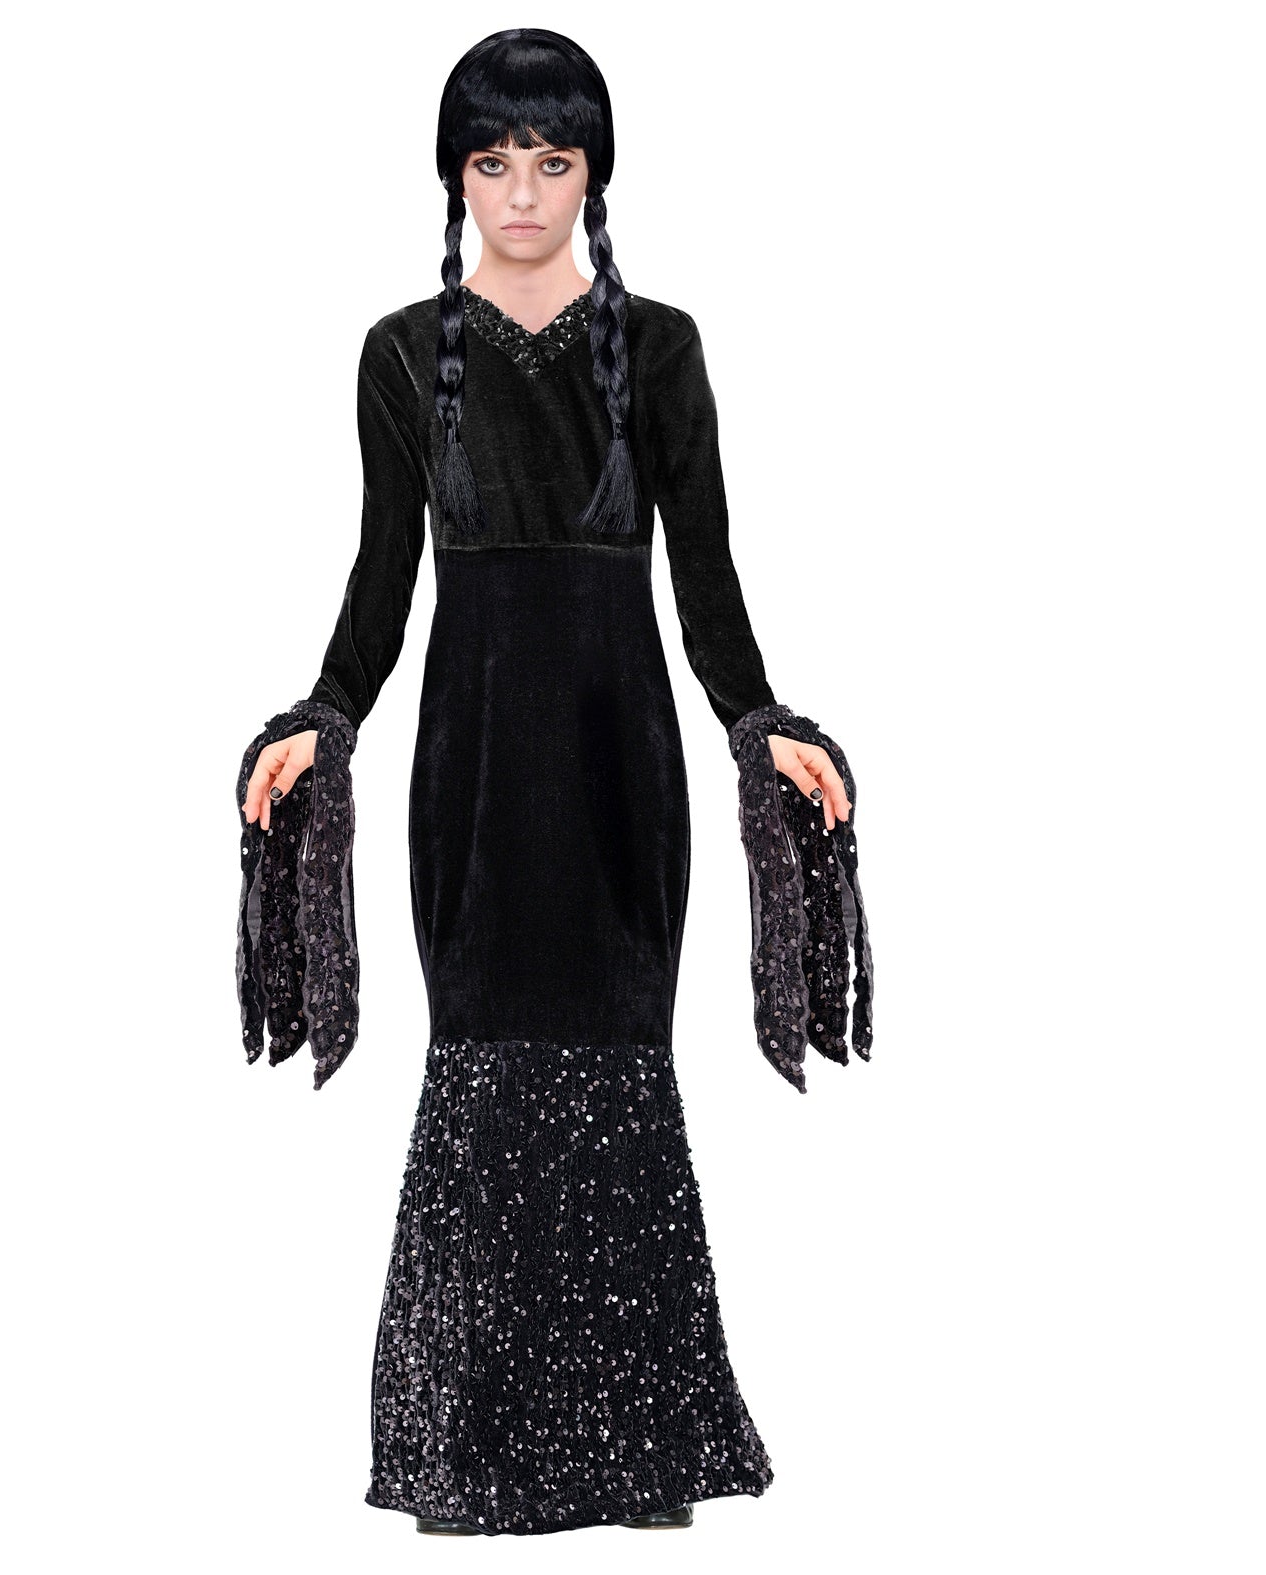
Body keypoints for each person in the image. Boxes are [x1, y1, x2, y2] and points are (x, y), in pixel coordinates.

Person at [239, 28, 857, 1537]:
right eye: (493, 161)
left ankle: (638, 1455)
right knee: (481, 1068)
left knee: (618, 1067)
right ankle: (468, 1454)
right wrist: (324, 714)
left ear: (594, 174)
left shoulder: (664, 349)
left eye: (554, 160)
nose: (522, 193)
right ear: (455, 176)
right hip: (469, 767)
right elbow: (381, 575)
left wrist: (759, 718)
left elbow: (706, 574)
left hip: (618, 763)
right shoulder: (400, 353)